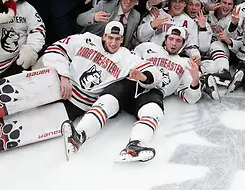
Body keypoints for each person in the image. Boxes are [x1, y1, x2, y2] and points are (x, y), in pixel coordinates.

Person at [43, 22, 163, 162]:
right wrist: (64, 75)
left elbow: (156, 74)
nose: (113, 43)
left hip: (78, 104)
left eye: (118, 39)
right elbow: (56, 48)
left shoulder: (127, 57)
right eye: (110, 38)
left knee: (43, 121)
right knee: (45, 76)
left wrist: (142, 76)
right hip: (63, 86)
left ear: (122, 39)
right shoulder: (86, 40)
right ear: (104, 35)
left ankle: (77, 137)